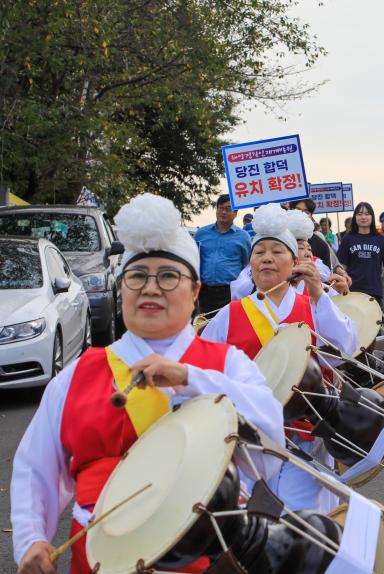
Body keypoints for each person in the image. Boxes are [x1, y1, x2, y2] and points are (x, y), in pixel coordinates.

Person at [12, 194, 283, 574]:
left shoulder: (226, 364)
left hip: (204, 560)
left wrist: (190, 379)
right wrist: (31, 538)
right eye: (137, 276)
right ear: (122, 289)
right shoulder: (76, 374)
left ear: (195, 292)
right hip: (99, 561)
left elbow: (270, 447)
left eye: (169, 276)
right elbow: (35, 467)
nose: (151, 288)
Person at [202, 203, 356, 512]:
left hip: (306, 434)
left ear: (294, 261)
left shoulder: (314, 303)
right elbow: (205, 371)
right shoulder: (230, 314)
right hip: (249, 442)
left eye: (277, 251)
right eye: (259, 253)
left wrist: (318, 293)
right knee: (255, 524)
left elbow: (344, 350)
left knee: (305, 521)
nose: (267, 258)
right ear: (250, 265)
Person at [337, 202, 384, 307]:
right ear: (355, 217)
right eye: (359, 214)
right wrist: (340, 285)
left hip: (374, 290)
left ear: (372, 217)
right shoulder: (348, 239)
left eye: (367, 214)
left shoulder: (381, 240)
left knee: (375, 322)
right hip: (352, 290)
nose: (363, 217)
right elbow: (342, 266)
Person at [195, 194, 252, 314]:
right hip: (204, 291)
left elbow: (247, 265)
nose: (224, 212)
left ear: (236, 213)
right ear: (216, 210)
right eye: (221, 208)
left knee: (227, 325)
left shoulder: (243, 237)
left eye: (228, 209)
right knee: (203, 326)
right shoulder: (201, 234)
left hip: (230, 291)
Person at [287, 199, 334, 269]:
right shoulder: (277, 237)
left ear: (311, 216)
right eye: (297, 210)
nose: (301, 214)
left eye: (306, 212)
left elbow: (327, 274)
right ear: (289, 210)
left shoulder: (320, 244)